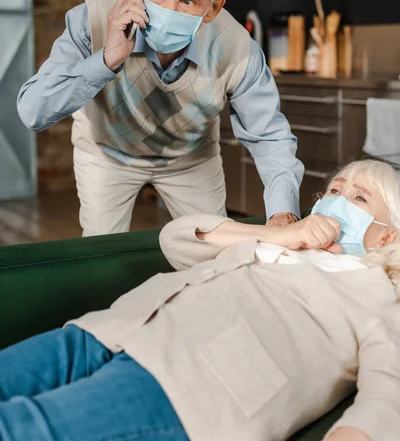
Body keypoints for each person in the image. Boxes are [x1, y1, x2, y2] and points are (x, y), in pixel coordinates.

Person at [1, 158, 400, 441]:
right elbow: (177, 239)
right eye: (334, 189)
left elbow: (389, 391)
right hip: (110, 331)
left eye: (359, 198)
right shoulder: (283, 240)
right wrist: (279, 236)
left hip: (192, 386)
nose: (338, 199)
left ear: (388, 235)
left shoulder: (379, 296)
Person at [17, 0, 303, 237]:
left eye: (188, 0)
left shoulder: (236, 47)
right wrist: (106, 60)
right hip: (107, 152)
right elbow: (34, 111)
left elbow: (268, 135)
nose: (168, 11)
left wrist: (283, 210)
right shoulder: (93, 18)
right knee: (100, 254)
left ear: (214, 8)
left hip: (190, 159)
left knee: (215, 252)